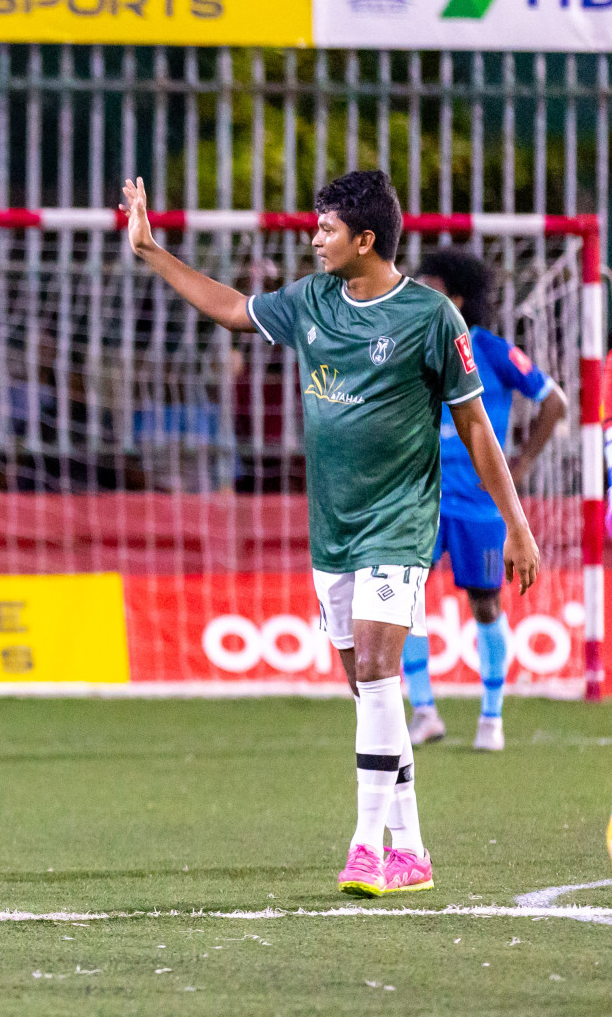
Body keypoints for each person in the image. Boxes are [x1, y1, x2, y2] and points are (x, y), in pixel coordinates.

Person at [121, 170, 538, 899]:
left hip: (400, 518)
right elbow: (230, 309)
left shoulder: (432, 317)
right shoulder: (311, 302)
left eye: (327, 229)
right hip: (332, 525)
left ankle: (364, 847)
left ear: (366, 239)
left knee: (378, 665)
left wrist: (518, 524)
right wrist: (153, 251)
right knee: (366, 686)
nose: (314, 239)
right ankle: (411, 845)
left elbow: (474, 424)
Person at [403, 249, 568, 752]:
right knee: (405, 600)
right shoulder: (412, 348)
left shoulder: (492, 350)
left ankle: (491, 718)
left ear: (456, 296)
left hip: (479, 504)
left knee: (486, 603)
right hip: (422, 498)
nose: (418, 291)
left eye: (430, 284)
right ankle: (424, 711)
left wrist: (519, 464)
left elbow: (555, 401)